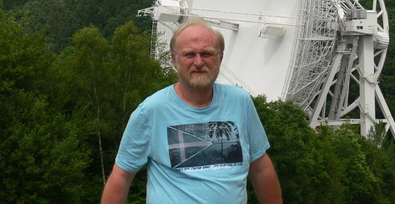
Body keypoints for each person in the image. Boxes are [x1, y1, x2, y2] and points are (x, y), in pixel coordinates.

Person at [101, 17, 282, 203]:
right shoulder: (151, 111)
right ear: (174, 59)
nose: (198, 62)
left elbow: (260, 168)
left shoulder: (240, 102)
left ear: (220, 57)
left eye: (207, 54)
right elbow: (121, 177)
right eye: (189, 55)